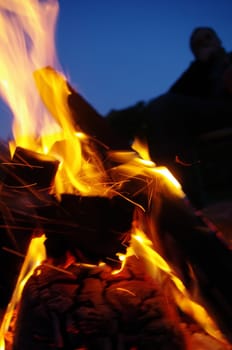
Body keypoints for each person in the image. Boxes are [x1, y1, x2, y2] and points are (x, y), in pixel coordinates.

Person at [105, 26, 232, 207]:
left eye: (208, 37)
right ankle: (172, 193)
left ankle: (182, 196)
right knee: (156, 112)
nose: (204, 42)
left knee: (162, 107)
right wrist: (202, 65)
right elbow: (174, 95)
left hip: (225, 109)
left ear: (218, 41)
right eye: (198, 43)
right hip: (198, 122)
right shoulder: (195, 71)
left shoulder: (229, 59)